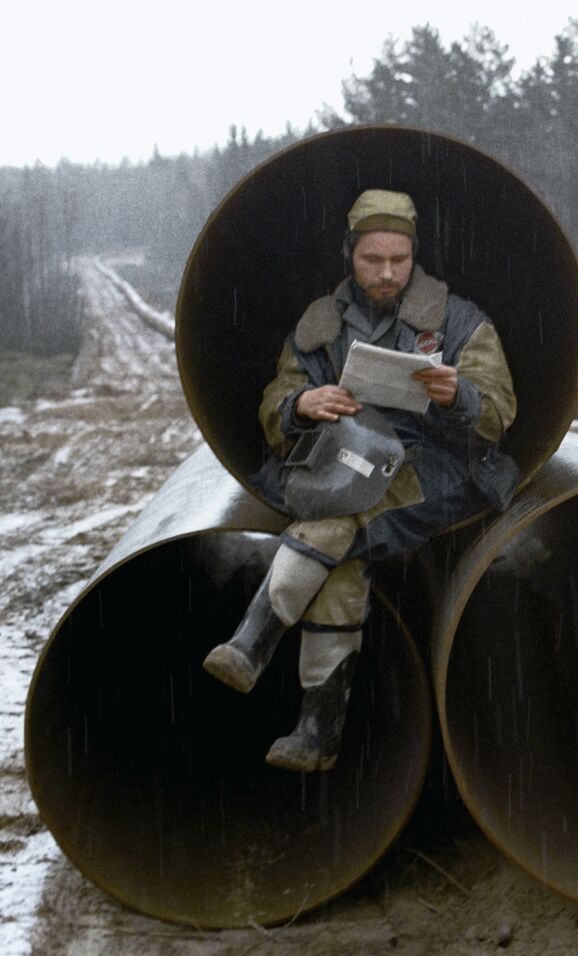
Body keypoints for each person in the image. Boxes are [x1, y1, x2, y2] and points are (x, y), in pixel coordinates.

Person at [203, 188, 519, 772]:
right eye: (373, 260)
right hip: (352, 456)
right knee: (342, 552)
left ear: (415, 255)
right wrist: (303, 404)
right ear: (349, 254)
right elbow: (276, 403)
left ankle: (255, 642)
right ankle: (315, 733)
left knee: (331, 521)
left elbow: (500, 415)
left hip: (440, 467)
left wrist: (461, 395)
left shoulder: (458, 319)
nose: (387, 273)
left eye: (399, 260)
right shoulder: (322, 322)